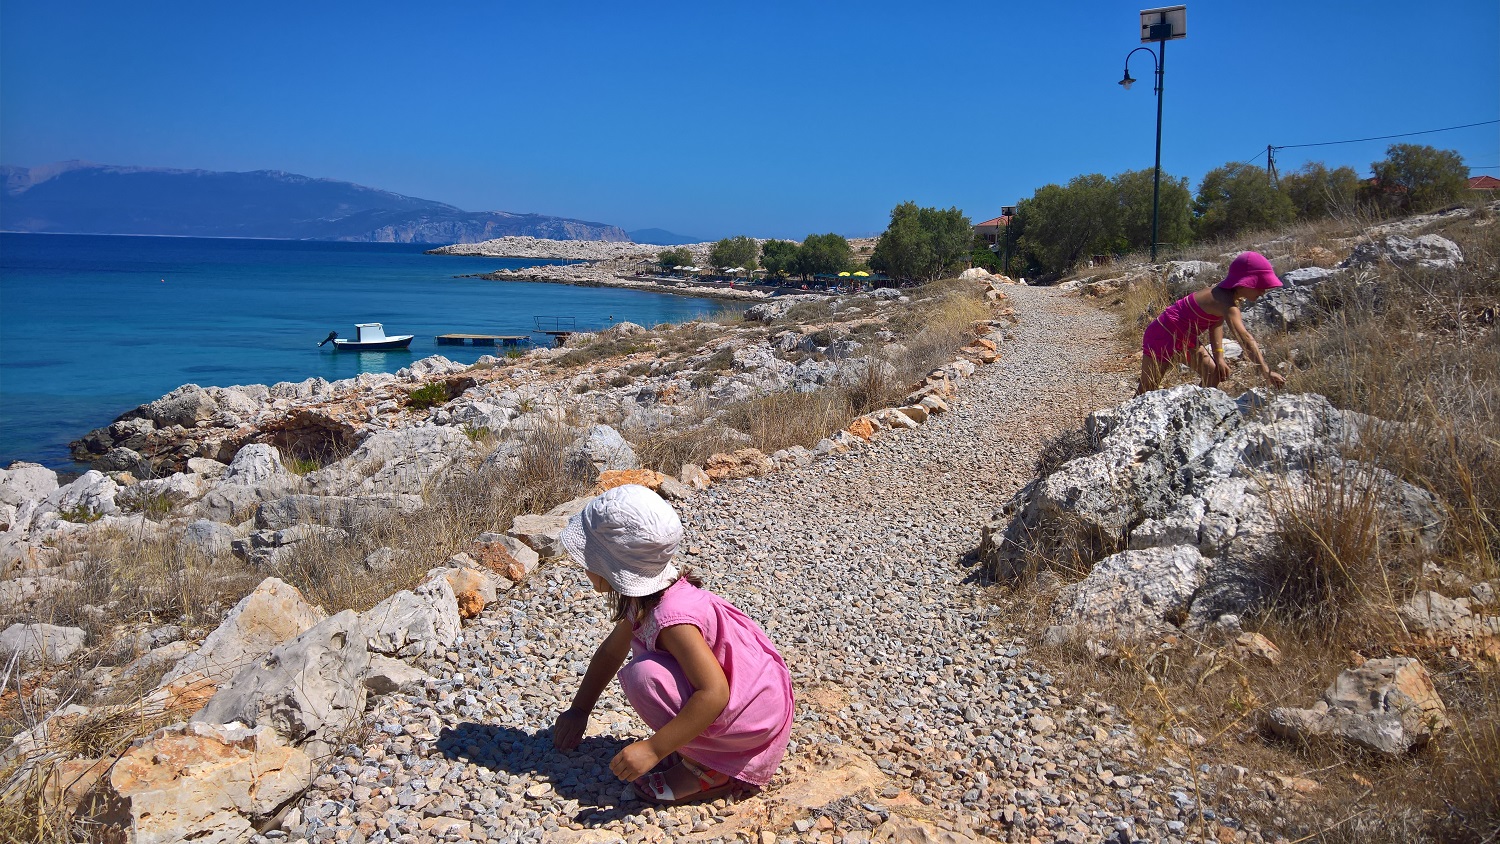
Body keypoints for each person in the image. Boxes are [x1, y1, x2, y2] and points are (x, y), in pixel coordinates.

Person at [551, 485, 794, 805]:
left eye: (589, 557)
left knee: (645, 677)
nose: (584, 566)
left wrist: (654, 749)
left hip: (753, 717)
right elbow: (611, 652)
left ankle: (707, 769)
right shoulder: (646, 597)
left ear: (610, 568)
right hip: (753, 698)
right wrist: (579, 710)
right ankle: (695, 743)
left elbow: (715, 692)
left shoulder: (671, 619)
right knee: (647, 672)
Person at [1137, 251, 1289, 396]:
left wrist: (1219, 357)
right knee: (1147, 388)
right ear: (1244, 283)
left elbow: (1215, 325)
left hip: (1184, 338)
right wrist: (1266, 371)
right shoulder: (1226, 304)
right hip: (1162, 335)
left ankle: (1196, 408)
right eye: (1259, 286)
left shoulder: (1223, 296)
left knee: (1213, 374)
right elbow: (1245, 338)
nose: (1263, 292)